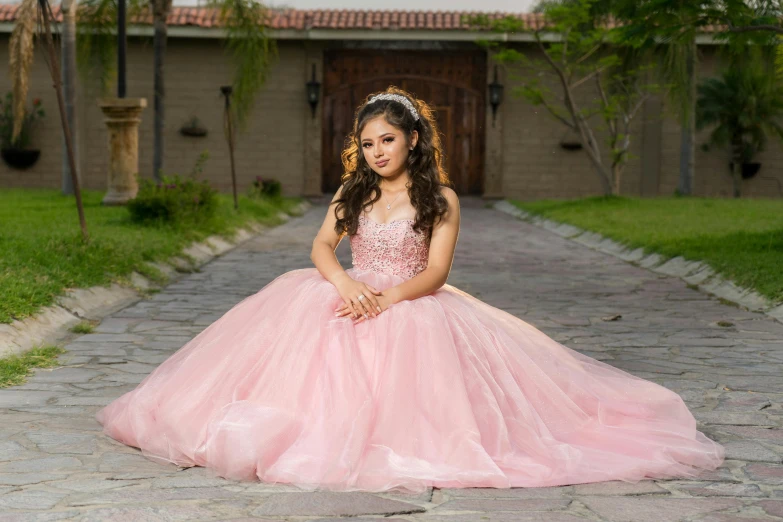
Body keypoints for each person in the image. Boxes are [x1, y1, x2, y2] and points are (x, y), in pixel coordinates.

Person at [96, 86, 725, 495]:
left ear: (413, 140)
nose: (376, 152)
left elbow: (437, 273)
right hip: (346, 292)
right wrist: (345, 283)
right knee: (309, 372)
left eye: (387, 140)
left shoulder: (440, 198)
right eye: (367, 143)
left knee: (416, 397)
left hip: (412, 303)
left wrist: (386, 299)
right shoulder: (353, 192)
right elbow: (320, 248)